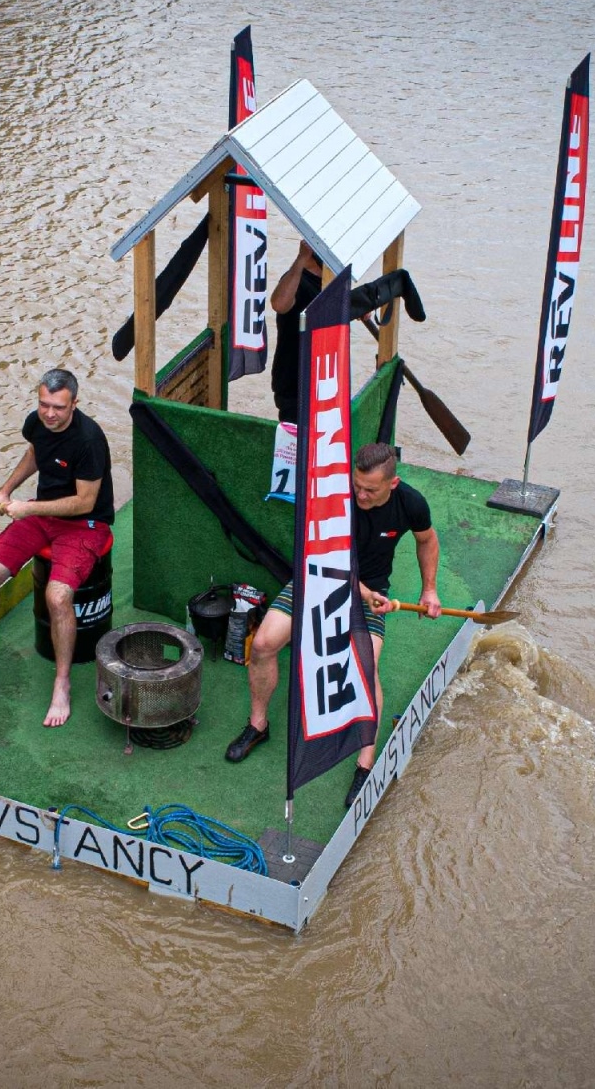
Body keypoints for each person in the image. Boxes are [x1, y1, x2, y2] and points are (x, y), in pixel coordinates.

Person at [224, 443, 441, 806]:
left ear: (393, 483)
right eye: (357, 485)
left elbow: (427, 540)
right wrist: (365, 591)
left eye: (370, 489)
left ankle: (365, 763)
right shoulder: (335, 495)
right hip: (319, 578)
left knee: (365, 669)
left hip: (368, 594)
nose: (360, 494)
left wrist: (430, 589)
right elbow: (322, 556)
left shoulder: (412, 503)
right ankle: (258, 725)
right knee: (263, 644)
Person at [0, 368, 115, 728]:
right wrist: (6, 491)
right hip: (42, 515)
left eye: (58, 407)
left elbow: (85, 502)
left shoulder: (89, 439)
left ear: (75, 403)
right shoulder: (38, 422)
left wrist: (28, 507)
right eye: (43, 404)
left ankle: (62, 683)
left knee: (58, 597)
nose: (49, 413)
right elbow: (34, 453)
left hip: (85, 523)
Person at [269, 239, 324, 423]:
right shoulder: (296, 280)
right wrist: (301, 259)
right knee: (294, 446)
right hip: (294, 383)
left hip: (323, 382)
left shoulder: (330, 277)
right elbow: (279, 304)